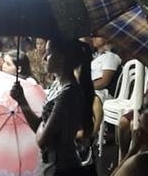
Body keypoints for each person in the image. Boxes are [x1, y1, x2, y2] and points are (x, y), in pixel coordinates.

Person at [10, 39, 96, 176]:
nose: (44, 58)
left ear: (62, 58)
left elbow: (43, 140)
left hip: (61, 167)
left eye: (49, 53)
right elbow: (40, 125)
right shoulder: (57, 85)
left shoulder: (68, 94)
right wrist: (22, 101)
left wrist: (42, 129)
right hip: (50, 163)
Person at [90, 36, 122, 102]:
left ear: (107, 39)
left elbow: (104, 82)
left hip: (102, 93)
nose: (93, 37)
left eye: (98, 36)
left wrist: (83, 86)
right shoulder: (95, 57)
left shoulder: (110, 56)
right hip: (93, 89)